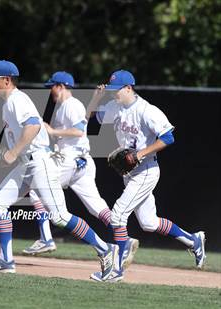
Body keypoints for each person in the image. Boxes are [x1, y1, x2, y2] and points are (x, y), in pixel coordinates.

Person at [0, 60, 118, 281]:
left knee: (60, 216)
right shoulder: (7, 104)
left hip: (39, 163)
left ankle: (104, 249)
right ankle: (6, 261)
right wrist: (11, 154)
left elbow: (33, 125)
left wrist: (14, 152)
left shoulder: (16, 100)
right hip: (27, 164)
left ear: (6, 80)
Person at [88, 69, 206, 282]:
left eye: (118, 90)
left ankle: (115, 271)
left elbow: (168, 137)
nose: (114, 94)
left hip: (146, 170)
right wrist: (96, 98)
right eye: (112, 89)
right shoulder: (114, 106)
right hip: (130, 173)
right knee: (149, 223)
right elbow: (93, 117)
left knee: (118, 214)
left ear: (129, 88)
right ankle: (194, 241)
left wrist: (140, 154)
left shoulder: (146, 110)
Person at [22, 71, 139, 271]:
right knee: (97, 208)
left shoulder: (70, 105)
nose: (51, 90)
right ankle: (124, 239)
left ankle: (46, 238)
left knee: (36, 187)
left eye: (52, 86)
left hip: (71, 159)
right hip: (81, 161)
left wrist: (52, 131)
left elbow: (78, 131)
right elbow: (83, 122)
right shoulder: (67, 107)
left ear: (60, 86)